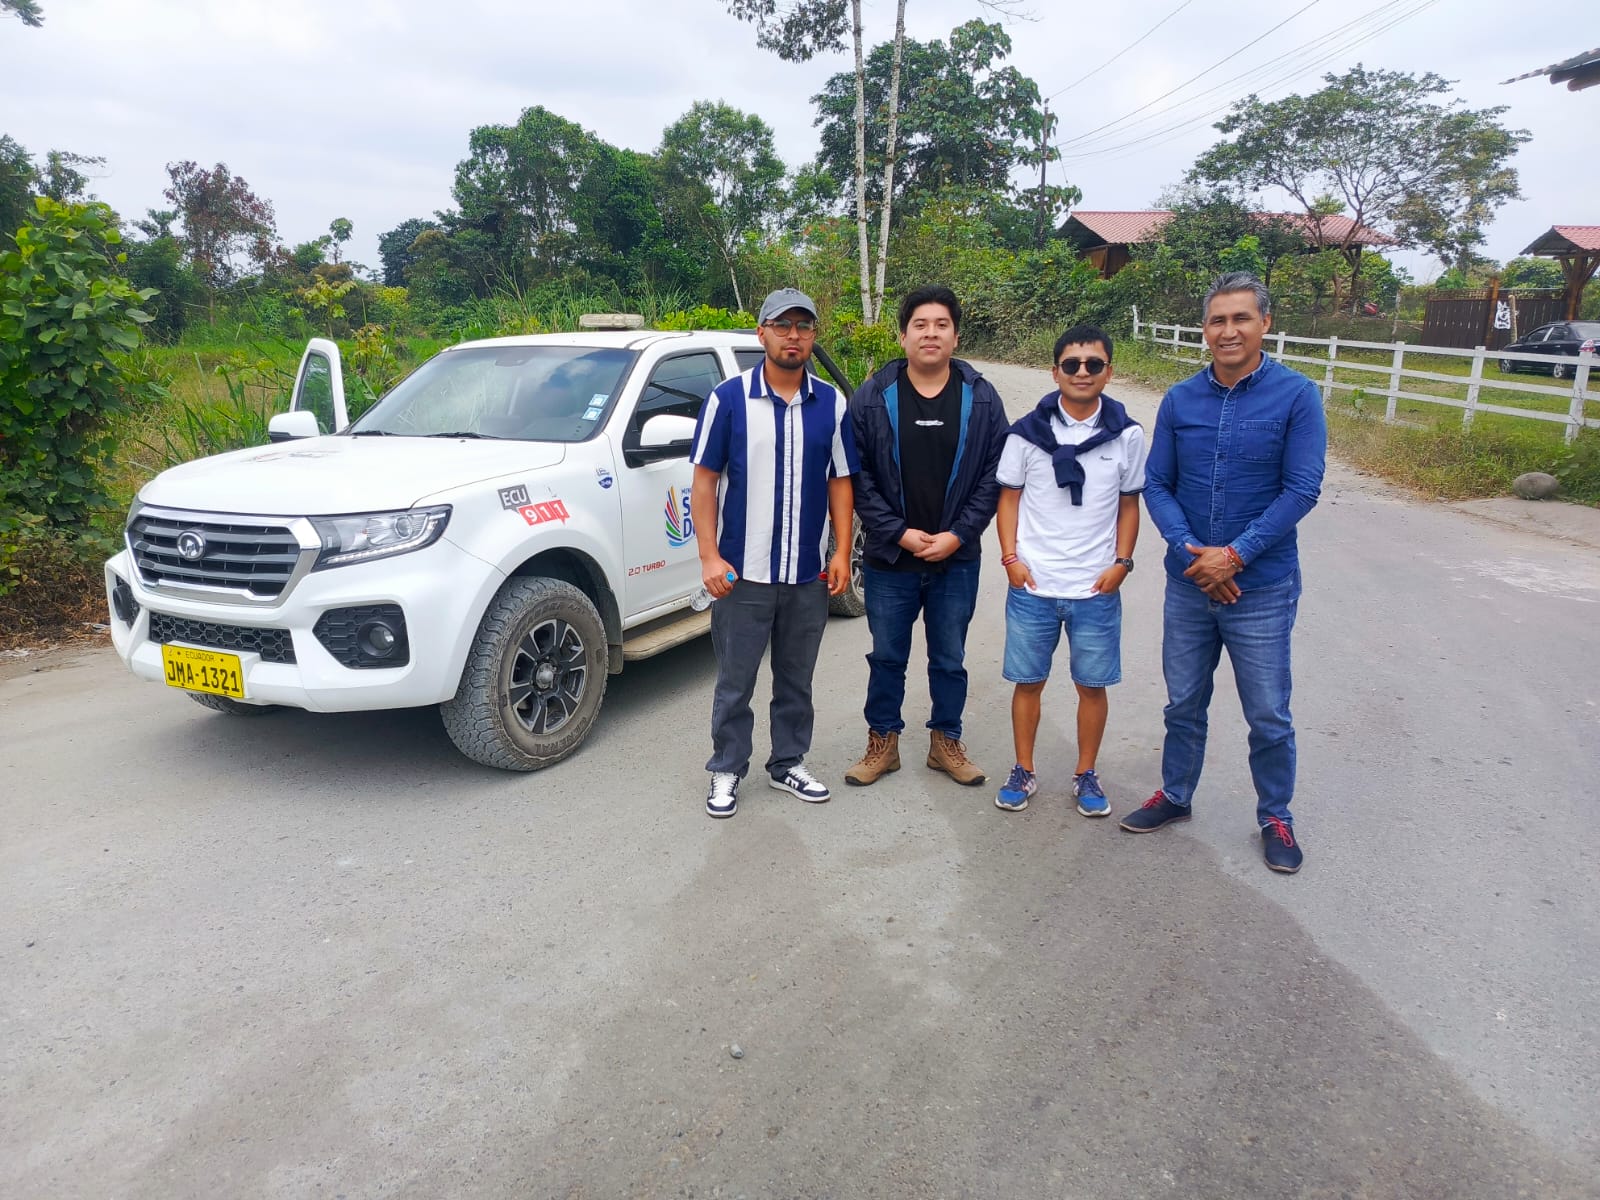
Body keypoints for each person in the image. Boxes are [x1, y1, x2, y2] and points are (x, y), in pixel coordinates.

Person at [1122, 271, 1326, 874]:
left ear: (1265, 324)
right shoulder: (1180, 399)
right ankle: (1176, 795)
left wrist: (1234, 556)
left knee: (1268, 713)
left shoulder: (1297, 396)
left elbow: (1301, 489)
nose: (1228, 330)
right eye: (1218, 320)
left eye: (1241, 318)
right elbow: (1157, 483)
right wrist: (1192, 552)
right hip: (1189, 583)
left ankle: (1275, 816)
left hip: (1260, 587)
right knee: (1183, 701)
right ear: (1205, 328)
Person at [690, 287, 859, 820]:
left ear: (813, 336)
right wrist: (709, 557)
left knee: (796, 679)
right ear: (761, 333)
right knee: (734, 681)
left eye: (803, 327)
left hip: (806, 573)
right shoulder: (729, 399)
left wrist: (841, 551)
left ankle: (788, 762)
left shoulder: (831, 402)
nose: (793, 336)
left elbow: (840, 480)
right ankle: (727, 766)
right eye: (782, 326)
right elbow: (704, 480)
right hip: (743, 573)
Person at [844, 286, 1009, 789]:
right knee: (886, 656)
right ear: (903, 335)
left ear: (955, 336)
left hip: (956, 560)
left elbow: (995, 476)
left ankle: (946, 742)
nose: (930, 333)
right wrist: (898, 533)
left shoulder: (982, 398)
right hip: (890, 559)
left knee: (949, 658)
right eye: (920, 324)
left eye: (941, 325)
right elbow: (858, 476)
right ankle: (882, 743)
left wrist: (958, 535)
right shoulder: (873, 397)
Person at [993, 324, 1146, 816]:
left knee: (1092, 686)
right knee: (1028, 681)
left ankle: (1086, 773)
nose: (1083, 372)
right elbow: (1008, 499)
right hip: (1034, 585)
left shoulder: (1127, 436)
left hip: (1095, 588)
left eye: (1093, 364)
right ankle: (1023, 769)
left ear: (1109, 372)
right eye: (1072, 364)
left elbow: (1129, 504)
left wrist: (1122, 563)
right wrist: (1011, 560)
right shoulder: (1025, 435)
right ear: (1054, 371)